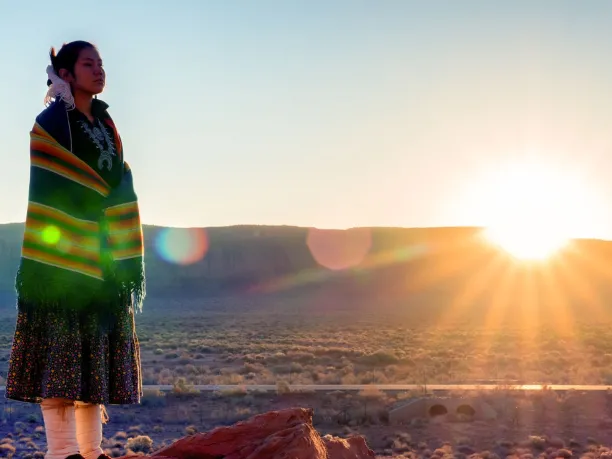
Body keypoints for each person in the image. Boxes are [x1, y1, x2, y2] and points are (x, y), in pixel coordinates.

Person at [5, 41, 146, 459]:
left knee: (91, 357)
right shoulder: (50, 123)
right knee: (61, 356)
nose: (99, 70)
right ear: (66, 74)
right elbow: (52, 179)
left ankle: (91, 451)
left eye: (101, 64)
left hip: (104, 260)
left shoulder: (107, 124)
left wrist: (116, 204)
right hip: (62, 264)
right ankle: (61, 452)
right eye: (89, 64)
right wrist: (98, 203)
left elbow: (121, 176)